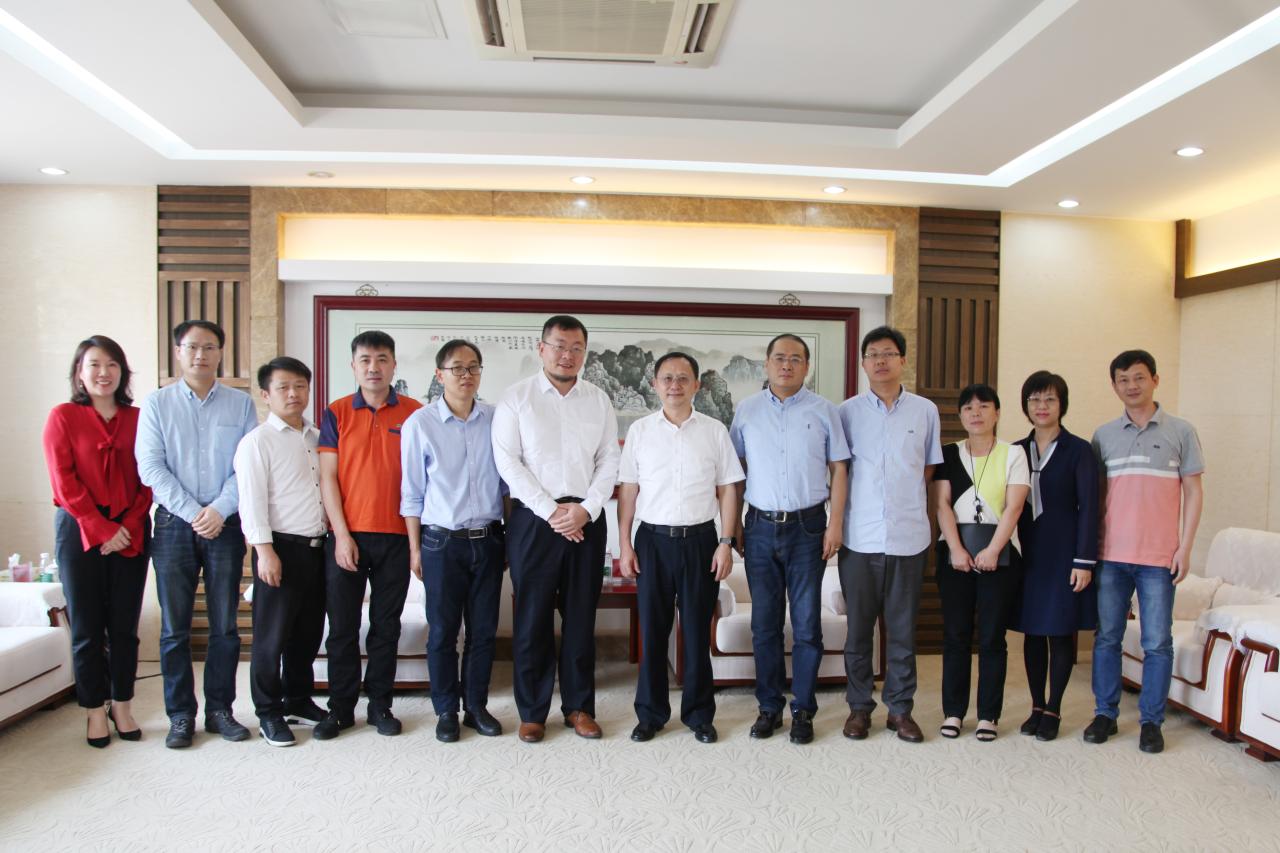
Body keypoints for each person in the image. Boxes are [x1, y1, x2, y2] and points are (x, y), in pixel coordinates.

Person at [491, 315, 620, 743]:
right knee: (532, 619)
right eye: (560, 346)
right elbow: (508, 462)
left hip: (586, 519)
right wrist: (551, 512)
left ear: (585, 352)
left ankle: (579, 708)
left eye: (577, 348)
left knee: (581, 618)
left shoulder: (598, 399)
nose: (568, 355)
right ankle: (532, 712)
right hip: (534, 520)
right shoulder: (516, 398)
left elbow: (609, 459)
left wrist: (587, 509)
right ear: (542, 348)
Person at [136, 320, 258, 749]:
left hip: (225, 524)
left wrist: (219, 510)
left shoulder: (240, 405)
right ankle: (180, 715)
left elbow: (246, 465)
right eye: (192, 347)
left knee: (225, 626)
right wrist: (194, 513)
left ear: (221, 353)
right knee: (175, 628)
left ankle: (220, 711)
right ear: (178, 352)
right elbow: (151, 467)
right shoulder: (157, 404)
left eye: (209, 347)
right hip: (174, 525)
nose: (201, 355)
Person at [729, 333, 849, 744]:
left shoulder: (825, 410)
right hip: (759, 526)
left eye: (795, 359)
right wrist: (734, 525)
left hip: (808, 527)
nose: (786, 365)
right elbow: (735, 471)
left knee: (806, 625)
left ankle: (803, 710)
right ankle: (769, 708)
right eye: (779, 358)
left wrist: (835, 524)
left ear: (806, 366)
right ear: (766, 363)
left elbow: (840, 470)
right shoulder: (746, 410)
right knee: (764, 626)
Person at [618, 352, 744, 744]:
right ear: (655, 384)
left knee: (695, 632)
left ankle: (699, 715)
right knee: (653, 633)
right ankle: (650, 714)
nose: (675, 385)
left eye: (683, 378)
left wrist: (726, 543)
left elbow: (728, 490)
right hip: (652, 542)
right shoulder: (640, 431)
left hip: (701, 542)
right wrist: (624, 545)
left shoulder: (714, 431)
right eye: (667, 378)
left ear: (696, 385)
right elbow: (628, 491)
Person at [1087, 350, 1203, 754]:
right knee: (1107, 638)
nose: (1131, 385)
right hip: (1111, 556)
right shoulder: (1103, 435)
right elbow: (1096, 497)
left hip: (1158, 558)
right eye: (1122, 379)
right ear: (1114, 385)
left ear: (1155, 379)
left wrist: (1185, 547)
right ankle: (1105, 714)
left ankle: (1152, 722)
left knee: (1157, 642)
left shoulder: (1181, 431)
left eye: (1138, 377)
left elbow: (1193, 492)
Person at [43, 335, 152, 747]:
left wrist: (127, 524)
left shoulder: (139, 417)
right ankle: (93, 709)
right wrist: (101, 528)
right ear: (79, 372)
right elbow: (62, 480)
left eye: (112, 364)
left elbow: (150, 475)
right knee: (87, 627)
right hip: (79, 528)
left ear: (123, 372)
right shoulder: (62, 416)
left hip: (131, 527)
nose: (103, 373)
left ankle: (122, 704)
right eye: (94, 364)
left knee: (124, 625)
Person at [838, 325, 943, 743]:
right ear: (863, 363)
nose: (880, 361)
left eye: (888, 353)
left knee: (902, 633)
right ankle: (859, 708)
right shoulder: (846, 412)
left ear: (902, 360)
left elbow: (928, 469)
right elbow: (839, 472)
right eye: (873, 354)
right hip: (858, 538)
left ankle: (900, 710)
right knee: (858, 633)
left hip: (908, 537)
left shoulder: (925, 411)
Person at [315, 330, 423, 739]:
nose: (373, 367)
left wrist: (415, 544)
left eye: (381, 359)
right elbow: (327, 478)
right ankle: (340, 709)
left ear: (393, 365)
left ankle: (380, 705)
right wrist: (341, 536)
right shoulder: (337, 412)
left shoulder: (414, 412)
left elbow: (421, 479)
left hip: (396, 536)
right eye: (365, 360)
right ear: (354, 365)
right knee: (342, 628)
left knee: (385, 626)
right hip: (349, 536)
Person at [400, 339, 507, 743]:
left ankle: (476, 706)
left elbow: (507, 486)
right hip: (441, 543)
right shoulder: (420, 424)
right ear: (439, 374)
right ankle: (446, 709)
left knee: (483, 631)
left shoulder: (496, 419)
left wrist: (509, 539)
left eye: (473, 367)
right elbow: (411, 493)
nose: (466, 375)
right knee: (443, 631)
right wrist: (415, 549)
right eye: (457, 368)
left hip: (488, 539)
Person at [234, 358, 328, 747]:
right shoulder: (257, 442)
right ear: (266, 394)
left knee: (307, 633)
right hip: (280, 548)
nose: (293, 394)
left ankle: (298, 700)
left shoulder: (317, 437)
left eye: (300, 386)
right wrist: (264, 552)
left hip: (317, 549)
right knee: (271, 638)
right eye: (284, 387)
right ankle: (268, 712)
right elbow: (251, 502)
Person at [932, 383, 1030, 742]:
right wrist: (957, 549)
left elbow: (1014, 507)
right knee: (955, 635)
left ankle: (989, 715)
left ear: (997, 413)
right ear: (960, 415)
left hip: (1000, 557)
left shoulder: (1013, 454)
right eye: (969, 408)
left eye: (984, 406)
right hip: (954, 555)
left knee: (992, 637)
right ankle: (954, 712)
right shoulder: (948, 453)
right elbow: (941, 504)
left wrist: (992, 550)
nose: (976, 413)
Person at [1012, 371, 1098, 742]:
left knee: (1060, 631)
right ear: (1025, 406)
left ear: (1062, 404)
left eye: (1049, 399)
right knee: (1032, 631)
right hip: (1028, 553)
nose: (1042, 406)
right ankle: (1036, 705)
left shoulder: (1079, 450)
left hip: (1065, 552)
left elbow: (1090, 507)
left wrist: (1084, 560)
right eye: (1034, 399)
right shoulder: (1015, 450)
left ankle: (1054, 708)